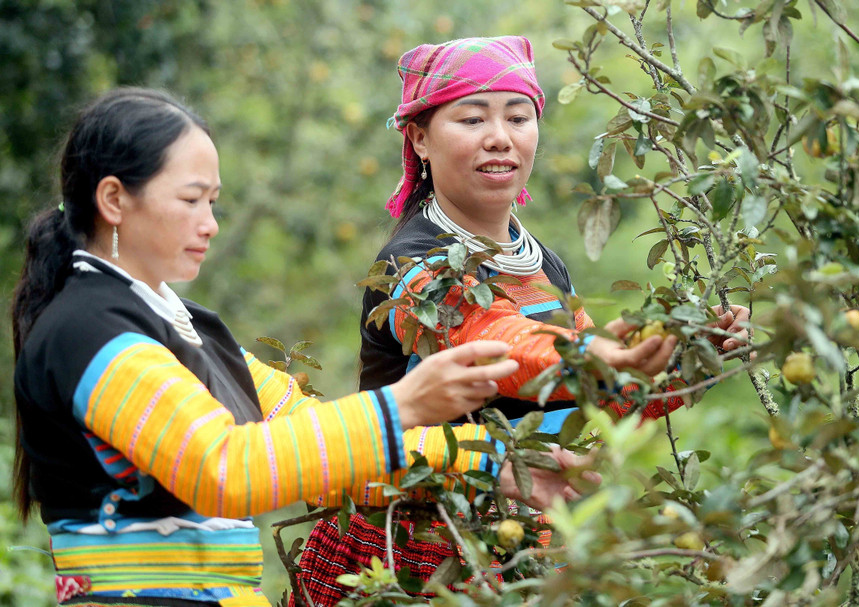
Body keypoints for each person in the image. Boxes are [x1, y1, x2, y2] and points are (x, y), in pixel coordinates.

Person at [10, 88, 590, 607]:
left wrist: (493, 465)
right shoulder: (88, 330)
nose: (210, 223)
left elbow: (320, 442)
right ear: (114, 200)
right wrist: (403, 405)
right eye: (191, 201)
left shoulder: (185, 325)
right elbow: (224, 469)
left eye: (213, 202)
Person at [293, 36, 751, 605]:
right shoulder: (411, 265)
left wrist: (690, 357)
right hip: (412, 546)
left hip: (521, 541)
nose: (500, 138)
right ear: (419, 138)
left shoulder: (541, 262)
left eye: (518, 117)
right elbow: (497, 343)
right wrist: (598, 353)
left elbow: (588, 399)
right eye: (471, 118)